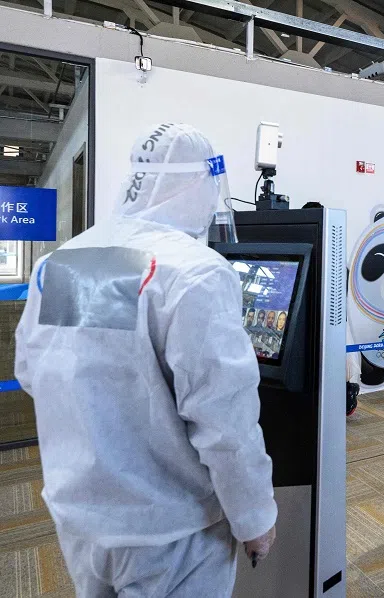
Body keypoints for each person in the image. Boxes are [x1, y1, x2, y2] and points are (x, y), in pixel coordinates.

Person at [14, 124, 277, 597]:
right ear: (199, 183)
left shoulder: (70, 259)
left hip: (83, 517)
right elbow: (224, 422)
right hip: (173, 532)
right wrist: (255, 518)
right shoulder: (194, 271)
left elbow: (37, 373)